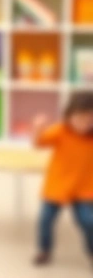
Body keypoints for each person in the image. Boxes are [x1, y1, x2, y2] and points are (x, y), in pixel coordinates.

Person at [31, 92, 93, 266]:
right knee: (45, 220)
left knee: (89, 222)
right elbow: (39, 142)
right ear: (69, 115)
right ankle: (44, 250)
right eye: (80, 117)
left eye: (90, 119)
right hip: (57, 186)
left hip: (84, 189)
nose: (84, 123)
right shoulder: (61, 130)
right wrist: (38, 128)